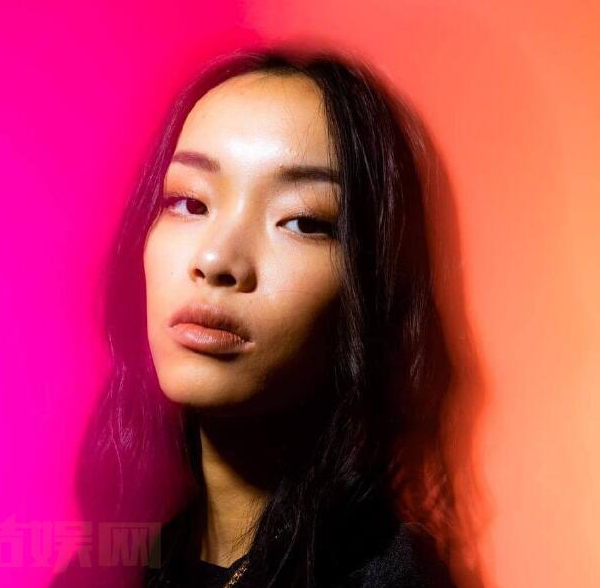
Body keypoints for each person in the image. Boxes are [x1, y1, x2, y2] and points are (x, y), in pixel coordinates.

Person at [51, 45, 469, 588]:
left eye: (303, 221)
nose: (216, 259)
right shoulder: (115, 563)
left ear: (373, 289)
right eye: (190, 203)